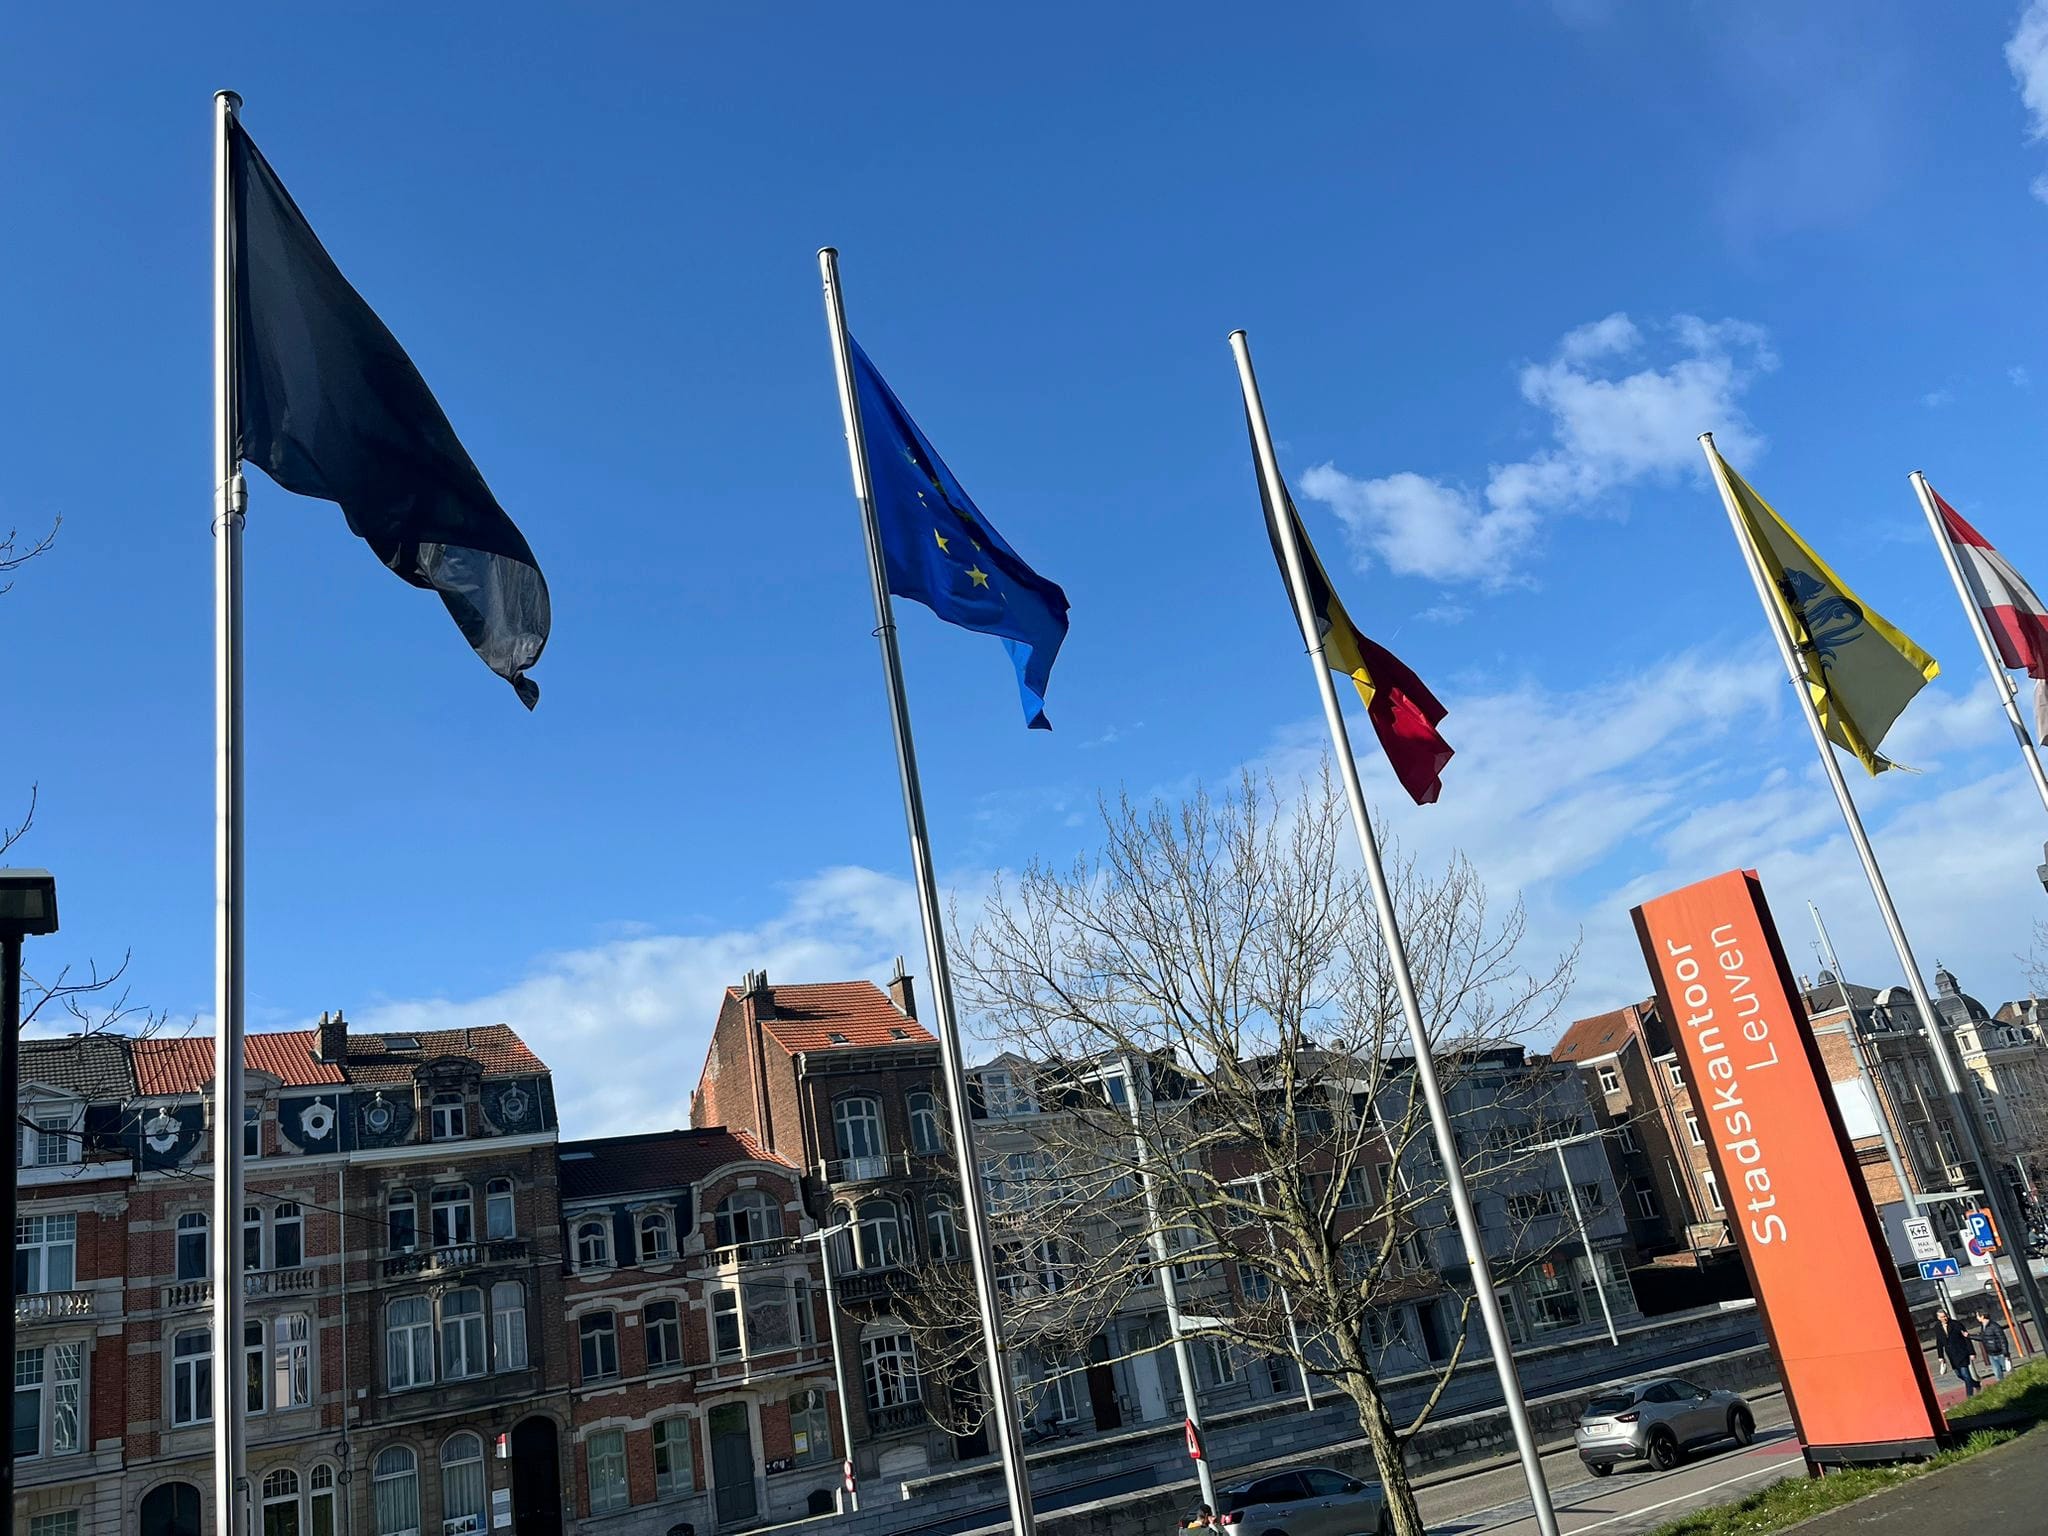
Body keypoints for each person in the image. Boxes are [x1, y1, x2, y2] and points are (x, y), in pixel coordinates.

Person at [1935, 1308, 1978, 1397]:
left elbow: (1966, 1338)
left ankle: (1970, 1396)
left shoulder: (1956, 1324)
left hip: (1962, 1352)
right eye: (1942, 1317)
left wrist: (1971, 1352)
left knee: (1965, 1374)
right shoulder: (1937, 1327)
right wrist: (1940, 1356)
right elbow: (1939, 1342)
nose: (1945, 1318)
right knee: (1959, 1375)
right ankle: (1976, 1384)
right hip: (1951, 1355)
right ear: (1939, 1318)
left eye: (1945, 1316)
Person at [1974, 1308, 2012, 1381]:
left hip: (2000, 1353)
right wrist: (1969, 1336)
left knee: (2009, 1372)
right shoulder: (1983, 1326)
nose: (1977, 1318)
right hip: (1991, 1354)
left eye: (1977, 1316)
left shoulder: (1994, 1326)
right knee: (1998, 1375)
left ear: (1982, 1316)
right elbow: (1983, 1337)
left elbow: (2002, 1339)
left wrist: (2006, 1353)